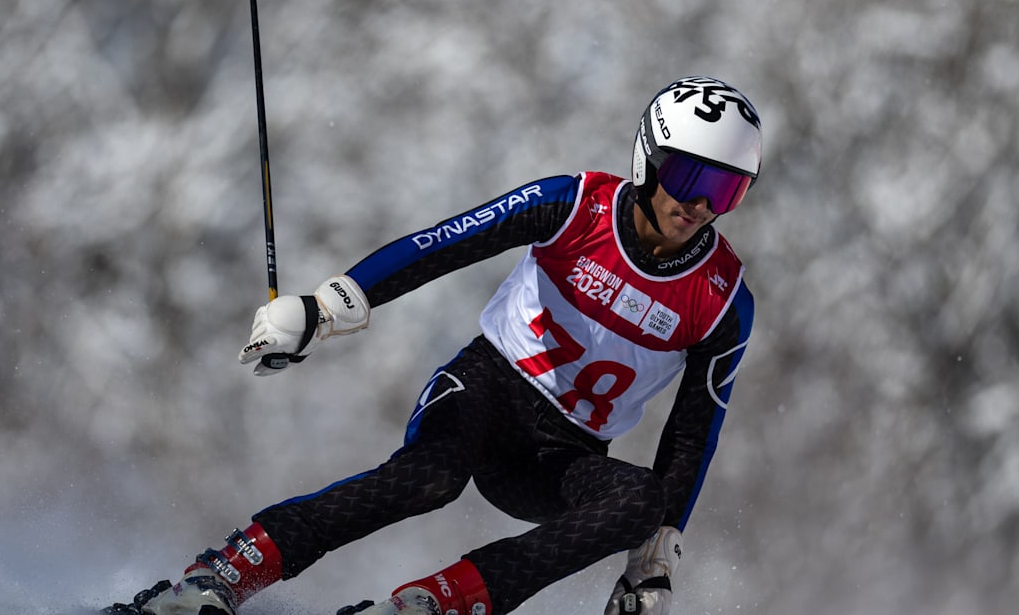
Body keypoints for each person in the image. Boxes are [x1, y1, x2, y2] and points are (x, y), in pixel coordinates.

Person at [105, 75, 762, 615]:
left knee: (640, 502)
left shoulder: (723, 299)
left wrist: (653, 560)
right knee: (428, 478)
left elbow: (690, 434)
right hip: (486, 390)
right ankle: (221, 574)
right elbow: (442, 244)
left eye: (726, 190)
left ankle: (437, 604)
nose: (702, 205)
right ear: (649, 157)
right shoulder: (576, 206)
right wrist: (327, 308)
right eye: (691, 177)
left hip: (561, 454)